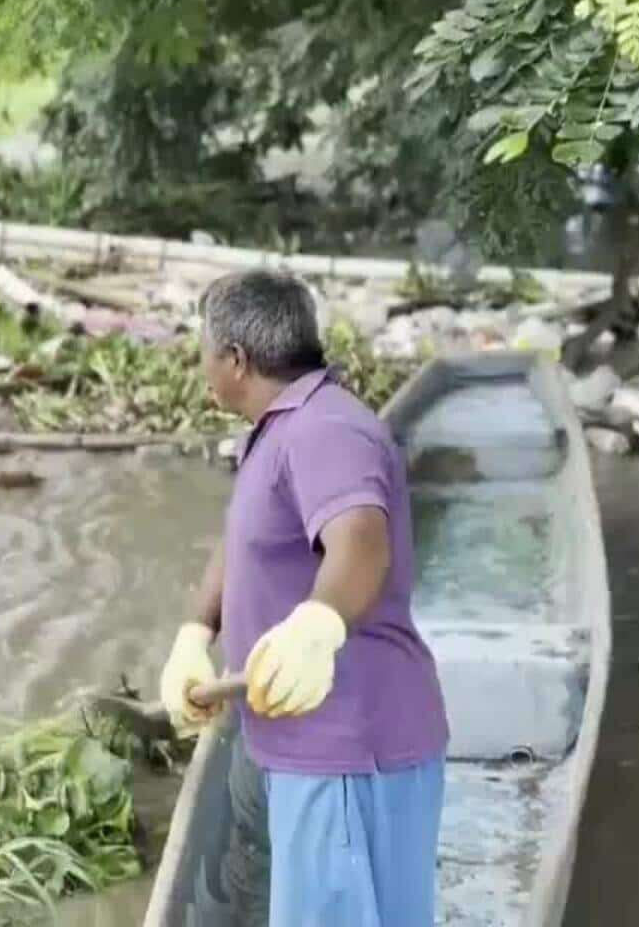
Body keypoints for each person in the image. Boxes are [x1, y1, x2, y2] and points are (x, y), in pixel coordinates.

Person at [158, 269, 449, 926]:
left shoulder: (326, 431)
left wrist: (317, 624)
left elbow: (361, 542)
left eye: (203, 349)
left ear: (234, 359)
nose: (201, 364)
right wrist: (194, 634)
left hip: (347, 752)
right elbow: (243, 540)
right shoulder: (279, 428)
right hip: (313, 751)